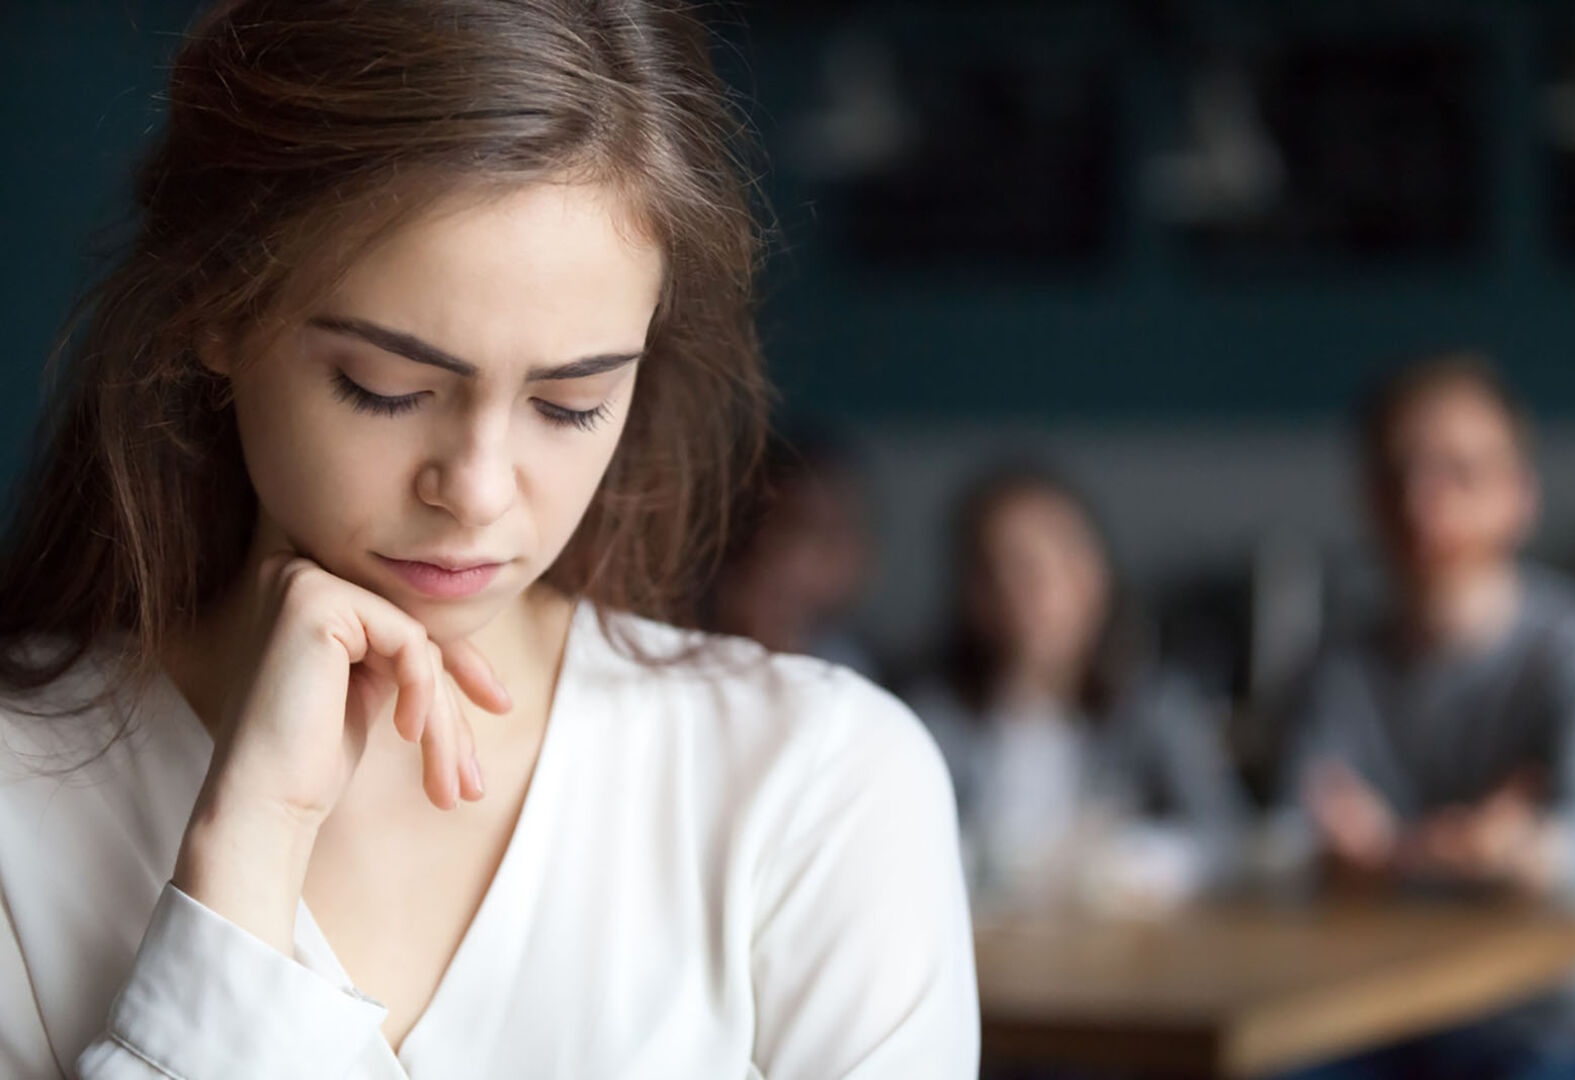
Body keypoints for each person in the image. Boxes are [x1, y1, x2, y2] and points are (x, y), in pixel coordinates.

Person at [0, 3, 979, 1077]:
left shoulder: (816, 790)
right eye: (385, 389)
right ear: (215, 310)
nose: (474, 492)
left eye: (568, 404)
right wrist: (248, 851)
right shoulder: (23, 799)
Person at [1281, 354, 1575, 1079]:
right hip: (1368, 1010)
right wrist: (1338, 854)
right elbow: (1290, 837)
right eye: (1397, 474)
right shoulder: (1337, 666)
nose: (1421, 502)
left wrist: (1518, 853)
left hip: (1551, 1016)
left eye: (1458, 472)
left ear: (1518, 495)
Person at [908, 465, 1247, 913]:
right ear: (972, 591)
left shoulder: (1155, 705)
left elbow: (1227, 833)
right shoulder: (932, 719)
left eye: (1052, 563)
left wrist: (1144, 861)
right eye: (1004, 569)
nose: (1029, 592)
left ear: (1096, 573)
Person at [701, 429, 880, 680]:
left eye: (847, 528)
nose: (837, 549)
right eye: (810, 527)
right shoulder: (704, 650)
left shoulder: (846, 657)